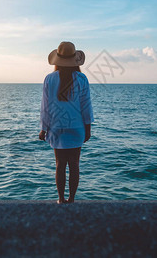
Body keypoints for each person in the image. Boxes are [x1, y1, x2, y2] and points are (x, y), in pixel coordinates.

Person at [39, 41, 94, 204]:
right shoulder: (82, 78)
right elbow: (86, 105)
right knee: (75, 164)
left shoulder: (49, 79)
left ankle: (61, 199)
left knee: (59, 165)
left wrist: (43, 129)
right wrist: (88, 128)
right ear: (74, 60)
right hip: (77, 128)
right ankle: (72, 199)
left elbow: (45, 107)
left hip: (57, 128)